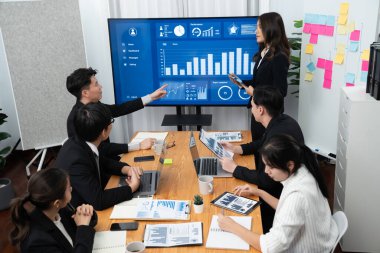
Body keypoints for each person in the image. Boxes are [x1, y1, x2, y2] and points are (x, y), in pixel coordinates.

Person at [218, 134, 338, 253]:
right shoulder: (303, 170)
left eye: (271, 167)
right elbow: (285, 206)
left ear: (290, 165)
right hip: (322, 240)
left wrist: (232, 226)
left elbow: (270, 247)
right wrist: (259, 192)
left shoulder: (297, 196)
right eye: (265, 165)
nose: (266, 171)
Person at [220, 86, 304, 232]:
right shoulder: (282, 121)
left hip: (276, 199)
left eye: (252, 105)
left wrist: (235, 169)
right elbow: (262, 142)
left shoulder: (277, 135)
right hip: (280, 190)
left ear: (260, 110)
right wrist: (237, 149)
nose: (251, 109)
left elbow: (267, 180)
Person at [66, 67, 168, 159]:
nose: (101, 87)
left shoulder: (95, 106)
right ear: (85, 93)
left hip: (109, 159)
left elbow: (119, 109)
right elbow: (100, 150)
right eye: (96, 84)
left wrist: (151, 97)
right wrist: (138, 146)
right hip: (99, 168)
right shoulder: (75, 120)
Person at [55, 102, 141, 210]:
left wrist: (126, 169)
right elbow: (98, 200)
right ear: (103, 132)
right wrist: (131, 187)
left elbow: (101, 161)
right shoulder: (77, 162)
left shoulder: (78, 141)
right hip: (80, 213)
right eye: (111, 121)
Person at [229, 12, 290, 142]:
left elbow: (280, 92)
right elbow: (260, 81)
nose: (256, 31)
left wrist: (255, 93)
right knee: (256, 148)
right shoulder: (264, 53)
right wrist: (240, 82)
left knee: (262, 151)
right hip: (258, 111)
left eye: (260, 27)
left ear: (271, 29)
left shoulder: (279, 57)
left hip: (268, 115)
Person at [9, 168, 96, 253]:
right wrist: (83, 227)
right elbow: (82, 231)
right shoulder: (37, 243)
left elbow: (81, 226)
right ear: (57, 202)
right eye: (68, 188)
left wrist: (87, 214)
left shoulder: (59, 209)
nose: (71, 189)